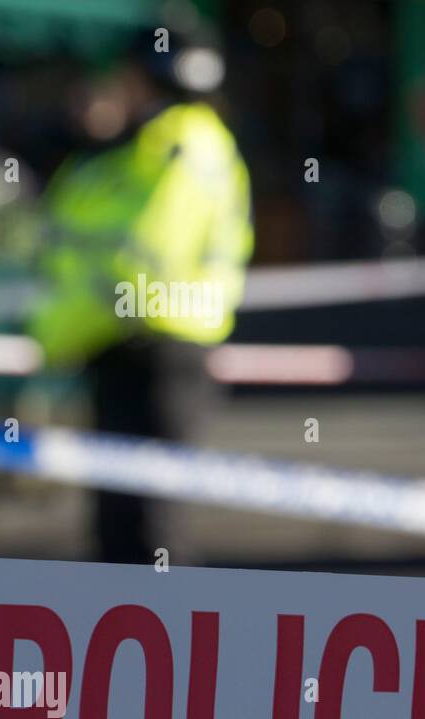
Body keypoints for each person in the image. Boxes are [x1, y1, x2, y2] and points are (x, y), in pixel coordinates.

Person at [27, 18, 253, 565]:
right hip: (133, 346)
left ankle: (159, 644)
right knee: (128, 523)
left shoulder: (175, 142)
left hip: (149, 345)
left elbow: (132, 255)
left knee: (145, 530)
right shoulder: (157, 146)